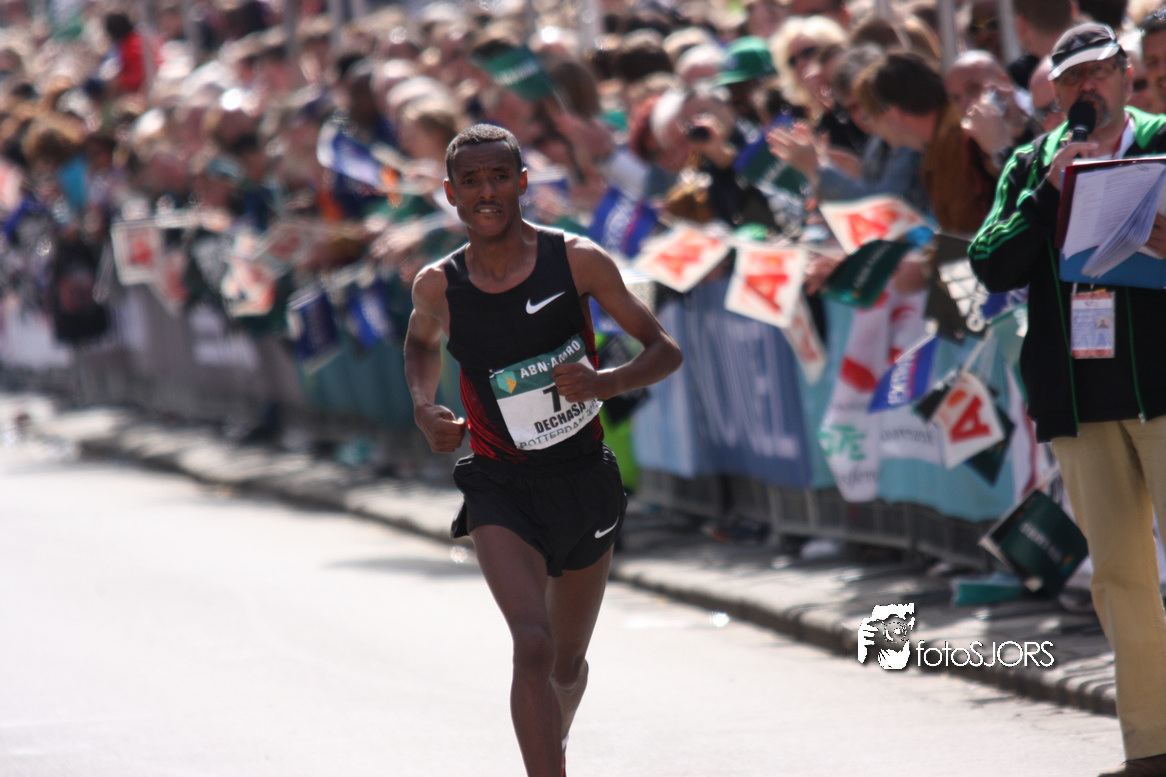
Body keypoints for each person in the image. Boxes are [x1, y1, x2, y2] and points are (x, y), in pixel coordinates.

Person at [403, 124, 683, 777]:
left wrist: (605, 382)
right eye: (471, 181)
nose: (487, 192)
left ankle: (552, 736)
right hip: (499, 486)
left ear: (523, 182)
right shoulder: (438, 285)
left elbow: (664, 350)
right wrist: (423, 406)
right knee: (531, 642)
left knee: (564, 663)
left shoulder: (577, 260)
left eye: (499, 176)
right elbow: (419, 342)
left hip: (583, 481)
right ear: (450, 193)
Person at [969, 23, 1166, 777]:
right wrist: (1047, 194)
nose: (1089, 88)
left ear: (1125, 73)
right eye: (1072, 78)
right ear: (1053, 92)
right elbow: (990, 263)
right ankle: (1152, 744)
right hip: (1079, 399)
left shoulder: (1161, 141)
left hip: (1163, 387)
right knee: (1119, 579)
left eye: (1100, 72)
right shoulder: (1032, 163)